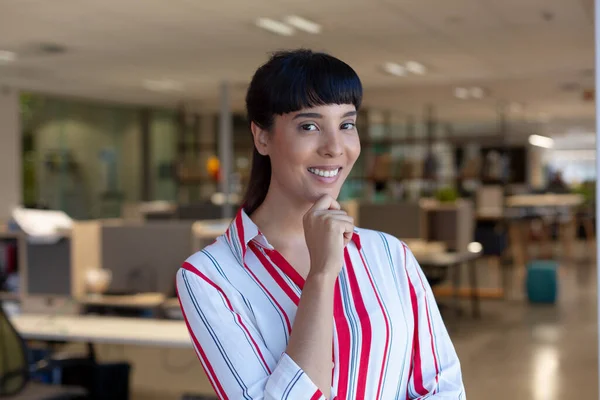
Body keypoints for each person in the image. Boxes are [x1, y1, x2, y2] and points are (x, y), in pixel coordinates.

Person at [176, 49, 465, 400]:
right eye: (309, 126)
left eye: (346, 124)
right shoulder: (209, 278)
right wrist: (322, 275)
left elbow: (441, 387)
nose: (334, 147)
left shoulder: (391, 255)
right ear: (262, 137)